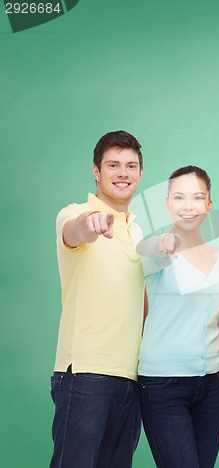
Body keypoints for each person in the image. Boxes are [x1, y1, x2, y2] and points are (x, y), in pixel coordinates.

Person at [50, 131, 145, 468]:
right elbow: (75, 232)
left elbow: (141, 299)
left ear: (140, 174)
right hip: (86, 373)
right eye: (113, 165)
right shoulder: (75, 212)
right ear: (96, 171)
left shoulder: (140, 230)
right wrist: (89, 225)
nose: (123, 173)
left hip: (131, 378)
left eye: (130, 165)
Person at [136, 166, 219, 468]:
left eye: (197, 198)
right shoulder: (156, 253)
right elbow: (147, 251)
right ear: (166, 204)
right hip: (163, 386)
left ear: (209, 205)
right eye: (178, 197)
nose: (188, 206)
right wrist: (163, 244)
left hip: (212, 386)